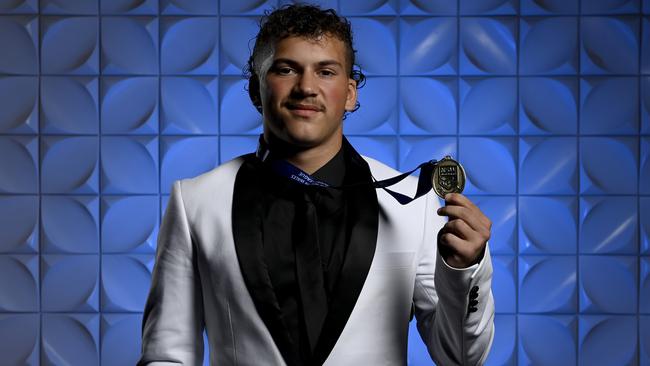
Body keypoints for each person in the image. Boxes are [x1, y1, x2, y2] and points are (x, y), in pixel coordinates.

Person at [138, 4, 494, 366]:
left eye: (326, 71)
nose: (306, 87)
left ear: (350, 94)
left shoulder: (414, 205)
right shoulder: (194, 202)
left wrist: (465, 269)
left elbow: (461, 359)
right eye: (286, 69)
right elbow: (166, 356)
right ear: (255, 90)